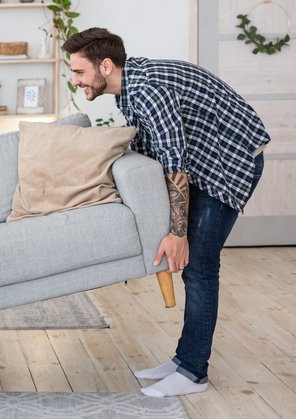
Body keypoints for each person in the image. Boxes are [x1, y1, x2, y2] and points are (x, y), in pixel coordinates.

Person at [62, 28, 269, 397]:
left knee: (200, 265)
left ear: (105, 66)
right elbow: (150, 150)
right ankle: (183, 360)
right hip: (203, 159)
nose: (75, 80)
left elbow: (175, 165)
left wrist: (177, 234)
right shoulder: (127, 90)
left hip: (230, 161)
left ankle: (193, 373)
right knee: (195, 265)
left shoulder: (148, 90)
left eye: (79, 72)